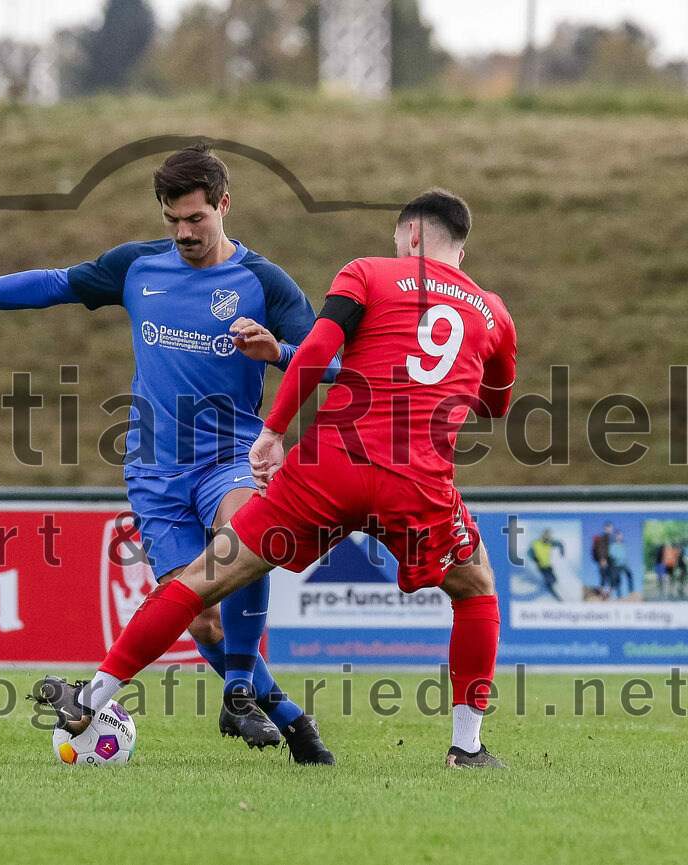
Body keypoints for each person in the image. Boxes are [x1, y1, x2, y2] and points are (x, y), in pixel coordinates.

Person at [0, 144, 338, 764]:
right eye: (172, 220)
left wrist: (276, 352)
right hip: (155, 470)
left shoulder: (263, 282)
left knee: (244, 540)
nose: (184, 233)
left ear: (224, 206)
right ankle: (284, 713)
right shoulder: (137, 268)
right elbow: (53, 284)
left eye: (196, 219)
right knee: (201, 617)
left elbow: (329, 363)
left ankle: (238, 692)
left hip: (230, 455)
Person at [38, 188, 518, 769]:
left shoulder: (367, 273)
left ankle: (92, 697)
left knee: (203, 579)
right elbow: (495, 404)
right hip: (415, 484)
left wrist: (272, 430)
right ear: (457, 248)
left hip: (329, 470)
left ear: (410, 236)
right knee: (475, 590)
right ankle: (466, 748)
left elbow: (317, 348)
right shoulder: (493, 313)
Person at [528, 529, 564, 601]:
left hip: (548, 565)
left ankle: (551, 583)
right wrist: (534, 558)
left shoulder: (550, 543)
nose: (547, 540)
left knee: (554, 579)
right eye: (546, 537)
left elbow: (560, 544)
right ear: (543, 536)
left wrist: (562, 550)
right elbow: (529, 552)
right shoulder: (536, 544)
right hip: (541, 566)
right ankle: (549, 586)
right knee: (549, 578)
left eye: (549, 538)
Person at [607, 529, 632, 598]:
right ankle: (619, 596)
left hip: (624, 564)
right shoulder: (612, 545)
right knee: (618, 581)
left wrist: (627, 563)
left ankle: (631, 592)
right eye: (617, 535)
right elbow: (611, 554)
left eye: (620, 535)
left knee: (629, 575)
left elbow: (624, 555)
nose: (619, 536)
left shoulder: (623, 545)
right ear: (615, 536)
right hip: (616, 565)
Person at [591, 522, 614, 596]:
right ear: (605, 529)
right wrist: (602, 559)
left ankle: (606, 594)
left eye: (611, 528)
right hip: (603, 560)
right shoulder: (602, 537)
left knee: (610, 577)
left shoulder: (610, 538)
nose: (610, 530)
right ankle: (601, 594)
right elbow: (600, 549)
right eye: (608, 528)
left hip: (609, 560)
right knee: (604, 577)